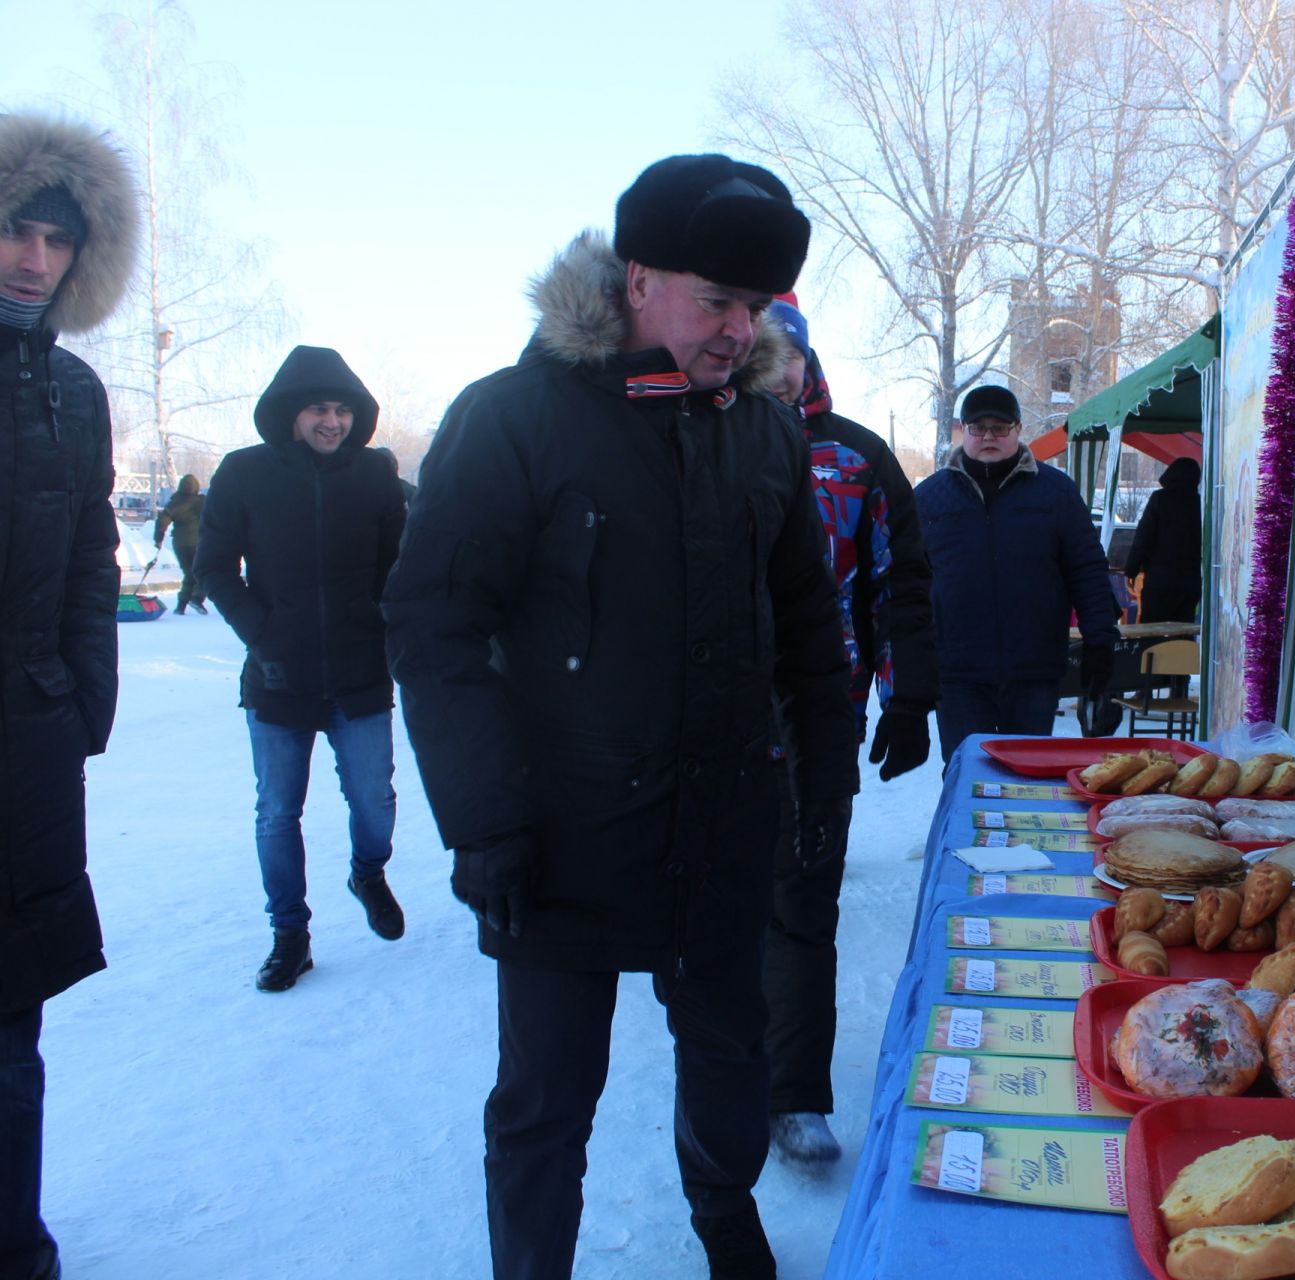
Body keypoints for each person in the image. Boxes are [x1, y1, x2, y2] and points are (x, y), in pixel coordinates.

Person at [381, 154, 857, 1280]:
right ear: (637, 277)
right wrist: (485, 818)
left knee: (732, 1060)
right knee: (546, 1094)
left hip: (723, 812)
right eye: (717, 301)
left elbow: (805, 626)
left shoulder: (766, 432)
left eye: (756, 307)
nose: (740, 329)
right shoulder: (513, 417)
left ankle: (721, 1209)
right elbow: (434, 623)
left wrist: (820, 789)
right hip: (560, 828)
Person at [741, 300, 938, 1165]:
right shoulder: (696, 440)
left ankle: (794, 1098)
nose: (774, 367)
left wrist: (907, 696)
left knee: (803, 906)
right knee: (718, 912)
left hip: (824, 714)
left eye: (786, 354)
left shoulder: (856, 455)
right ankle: (725, 1079)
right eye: (759, 351)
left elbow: (904, 583)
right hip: (708, 722)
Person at [0, 111, 136, 1280]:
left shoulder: (78, 392)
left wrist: (83, 690)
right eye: (12, 230)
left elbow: (93, 545)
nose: (32, 258)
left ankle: (15, 1241)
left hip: (26, 739)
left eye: (54, 238)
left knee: (11, 1027)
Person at [196, 346, 410, 992]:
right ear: (291, 413)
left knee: (374, 798)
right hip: (277, 675)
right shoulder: (243, 474)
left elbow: (399, 565)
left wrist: (383, 622)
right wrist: (262, 635)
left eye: (343, 409)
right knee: (277, 813)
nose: (332, 421)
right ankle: (289, 934)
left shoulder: (376, 476)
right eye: (319, 408)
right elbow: (213, 568)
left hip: (359, 671)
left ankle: (368, 872)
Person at [916, 385, 1120, 763]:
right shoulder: (930, 497)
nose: (989, 436)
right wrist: (911, 658)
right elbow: (908, 584)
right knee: (966, 772)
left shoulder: (1055, 492)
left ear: (1018, 429)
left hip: (1034, 669)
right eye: (979, 427)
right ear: (964, 431)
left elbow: (1087, 569)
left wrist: (1100, 642)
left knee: (1027, 772)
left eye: (1000, 426)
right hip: (958, 671)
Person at [1124, 456, 1202, 624]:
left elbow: (1143, 537)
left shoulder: (1160, 498)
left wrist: (1131, 570)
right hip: (1190, 583)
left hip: (1159, 582)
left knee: (1152, 635)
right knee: (1183, 634)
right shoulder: (1200, 503)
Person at [148, 473, 207, 613]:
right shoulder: (203, 502)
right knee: (203, 572)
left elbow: (162, 522)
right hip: (199, 543)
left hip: (180, 545)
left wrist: (158, 539)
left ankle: (181, 606)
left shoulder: (174, 503)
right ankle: (197, 598)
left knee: (189, 573)